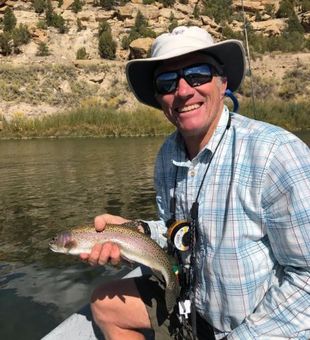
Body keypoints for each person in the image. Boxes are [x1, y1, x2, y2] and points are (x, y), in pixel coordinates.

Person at [80, 26, 310, 339]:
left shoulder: (276, 152)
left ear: (223, 82)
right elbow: (184, 232)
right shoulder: (167, 154)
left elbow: (307, 278)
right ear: (160, 98)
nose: (184, 90)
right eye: (167, 82)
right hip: (193, 307)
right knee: (105, 304)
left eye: (198, 74)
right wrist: (137, 233)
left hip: (257, 326)